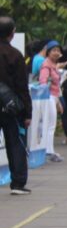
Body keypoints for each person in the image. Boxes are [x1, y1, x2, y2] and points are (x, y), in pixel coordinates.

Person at [0, 16, 32, 195]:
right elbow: (22, 86)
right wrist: (27, 113)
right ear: (12, 34)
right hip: (11, 108)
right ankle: (18, 183)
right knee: (15, 144)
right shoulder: (15, 55)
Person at [37, 40, 65, 162]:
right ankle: (48, 152)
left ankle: (49, 150)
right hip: (48, 97)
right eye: (53, 50)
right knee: (49, 125)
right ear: (48, 52)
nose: (56, 53)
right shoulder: (46, 65)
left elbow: (56, 86)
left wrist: (58, 102)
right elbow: (43, 82)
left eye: (58, 50)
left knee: (50, 125)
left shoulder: (54, 65)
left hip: (53, 98)